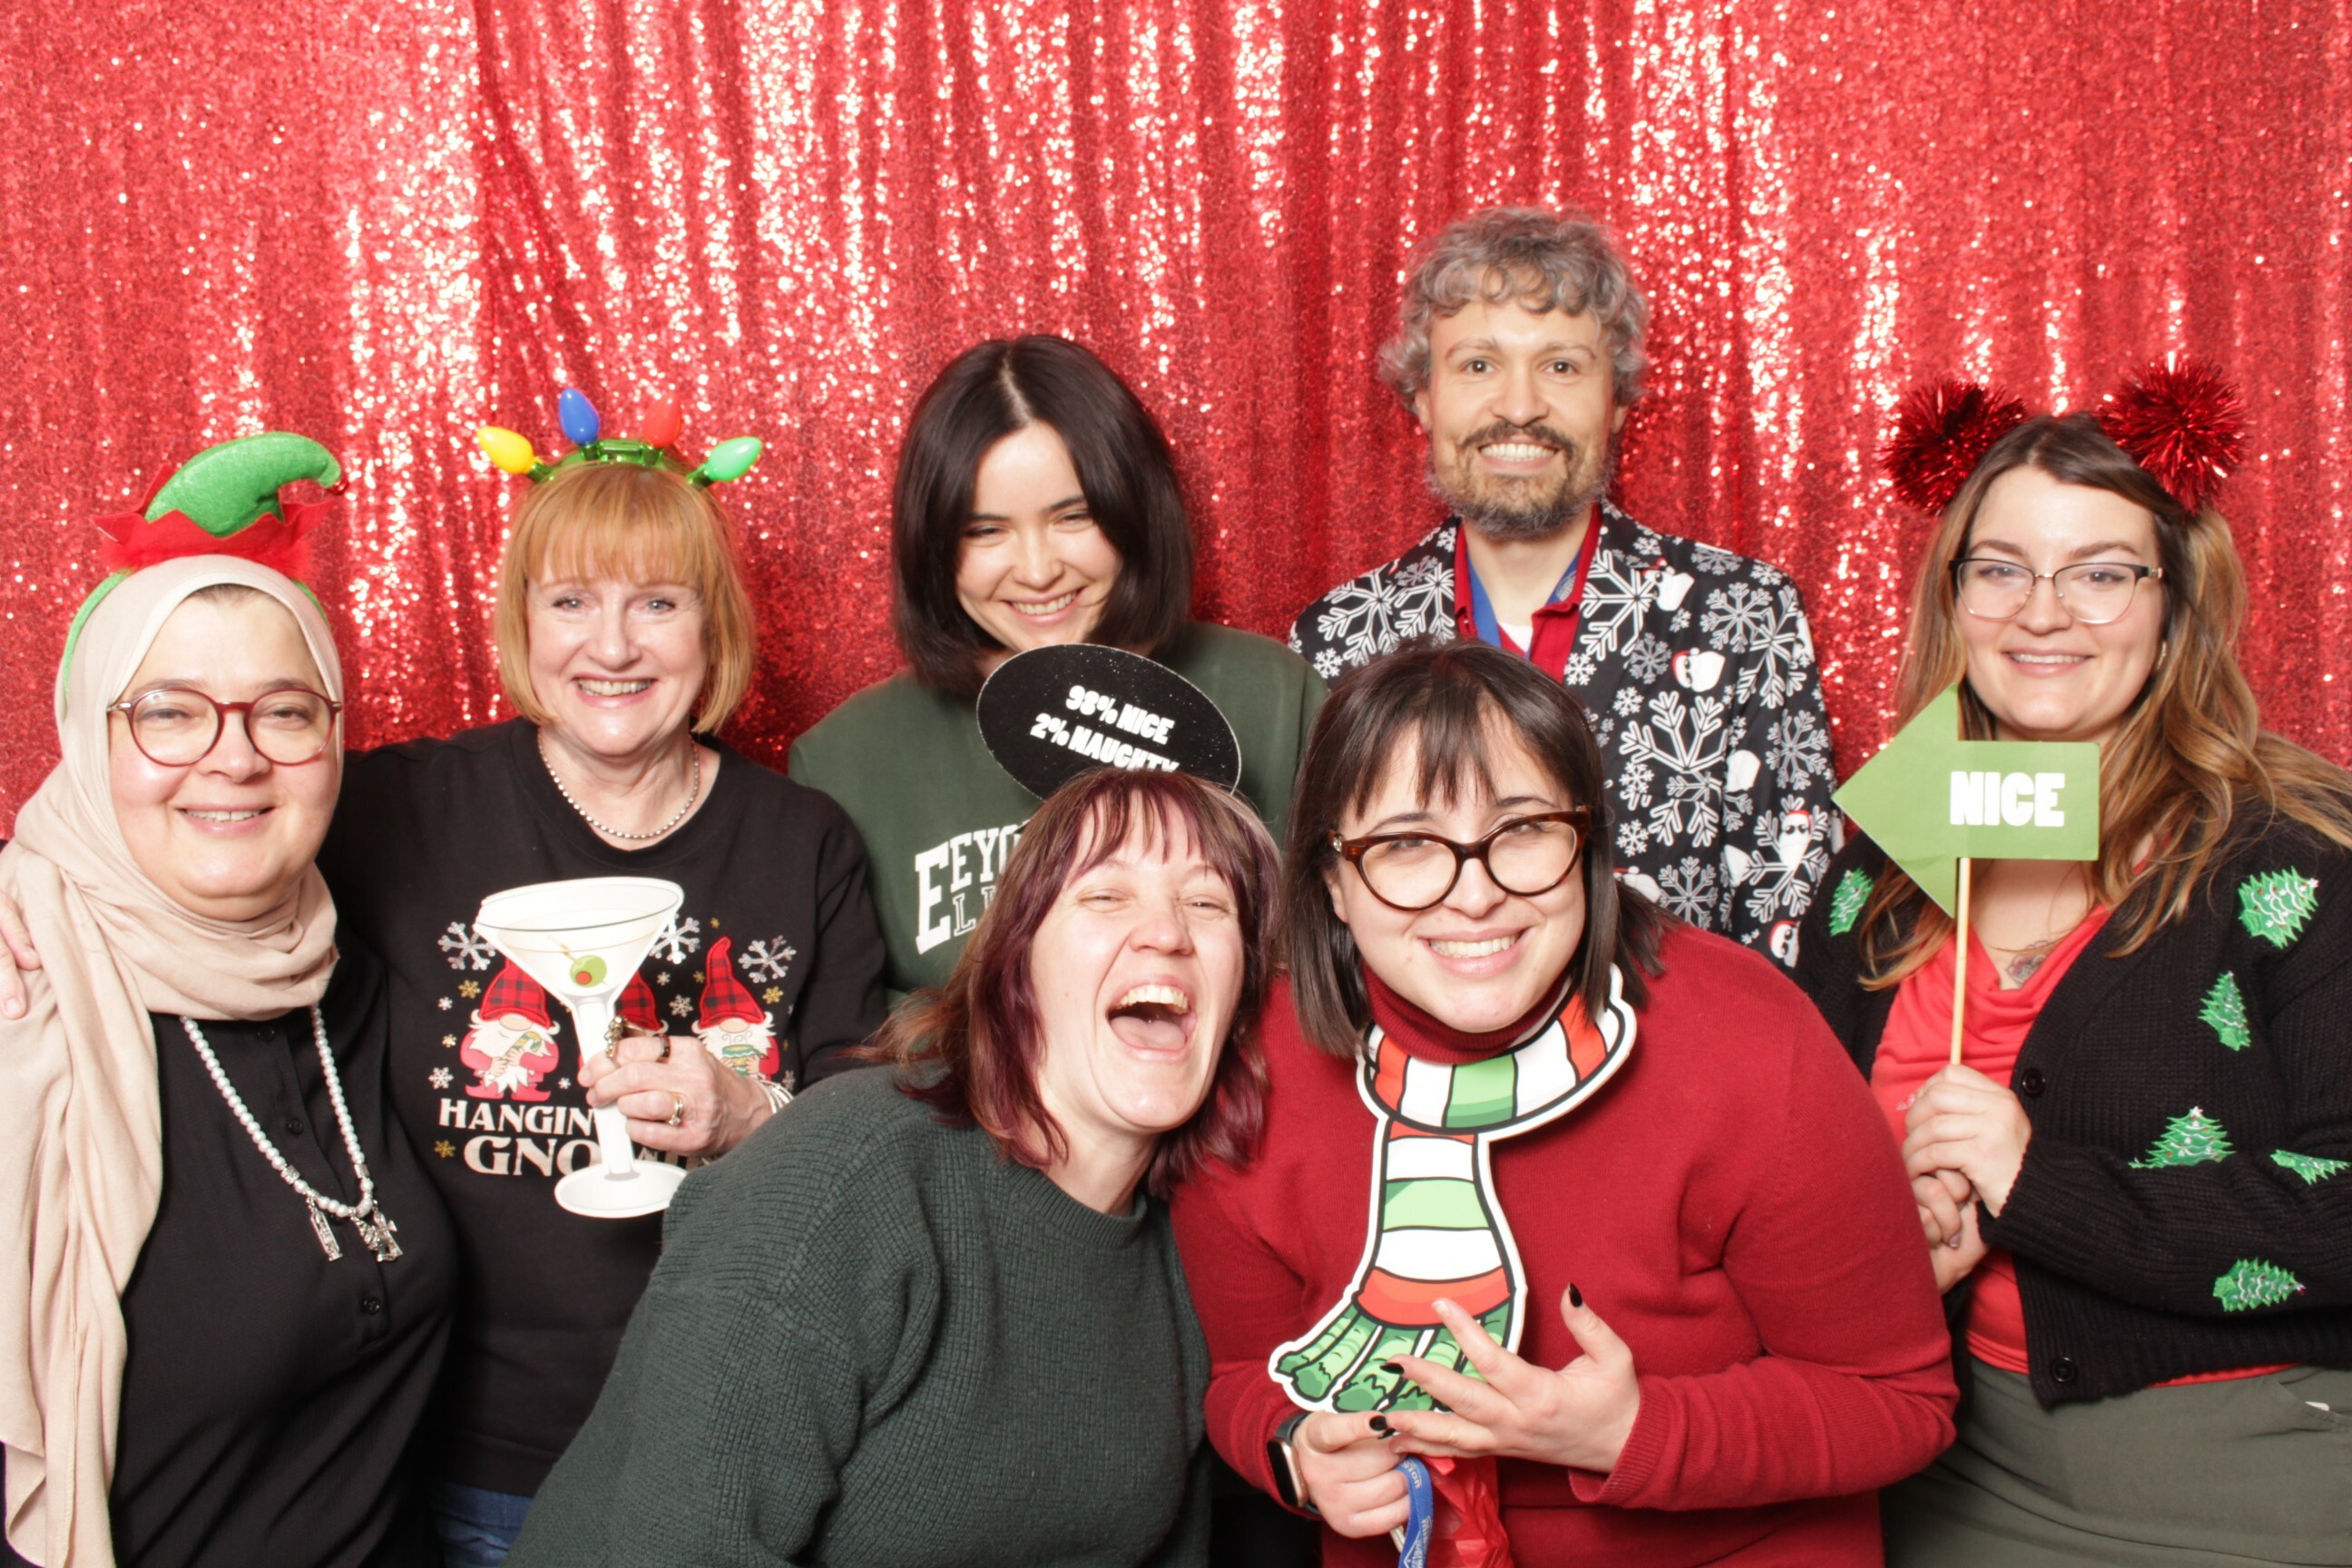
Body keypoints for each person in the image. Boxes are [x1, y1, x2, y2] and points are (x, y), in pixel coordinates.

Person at [0, 417, 891, 1564]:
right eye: (570, 601)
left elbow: (871, 1144)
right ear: (520, 620)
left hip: (728, 1448)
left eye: (659, 603)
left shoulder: (804, 840)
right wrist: (22, 877)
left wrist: (749, 1117)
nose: (612, 645)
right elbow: (190, 814)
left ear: (713, 622)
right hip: (469, 1475)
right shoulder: (399, 807)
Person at [1171, 640, 1957, 1564]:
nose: (1474, 895)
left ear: (1586, 847)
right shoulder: (1254, 1070)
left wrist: (1632, 1433)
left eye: (1524, 830)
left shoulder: (1748, 1040)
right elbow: (1245, 1378)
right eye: (1407, 845)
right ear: (1333, 883)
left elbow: (1901, 1403)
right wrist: (1296, 1455)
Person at [1796, 377, 2352, 1564]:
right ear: (1954, 598)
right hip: (1941, 1462)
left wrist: (2034, 1184)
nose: (2042, 613)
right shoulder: (1886, 865)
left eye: (2101, 573)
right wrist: (1892, 1248)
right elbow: (1788, 1176)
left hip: (2251, 1464)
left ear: (2174, 605)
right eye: (2001, 569)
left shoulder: (2293, 859)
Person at [504, 767, 1279, 1567]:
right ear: (1018, 962)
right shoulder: (845, 1174)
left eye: (1207, 903)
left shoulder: (1196, 1251)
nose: (1167, 933)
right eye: (1107, 895)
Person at [2, 505, 456, 1567]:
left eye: (285, 712)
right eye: (169, 712)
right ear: (88, 738)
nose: (235, 758)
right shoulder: (28, 1008)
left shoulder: (352, 974)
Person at [1288, 207, 1834, 963]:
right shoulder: (1340, 637)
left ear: (1618, 399)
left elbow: (1789, 918)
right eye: (1478, 366)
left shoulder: (1741, 615)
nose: (1520, 407)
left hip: (1679, 1037)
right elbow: (1318, 929)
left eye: (1562, 367)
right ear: (1424, 397)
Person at [790, 334, 1325, 996]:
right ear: (932, 545)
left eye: (1074, 517)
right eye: (985, 531)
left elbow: (1346, 968)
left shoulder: (1276, 699)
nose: (1039, 571)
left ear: (1136, 511)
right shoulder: (846, 761)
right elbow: (847, 1029)